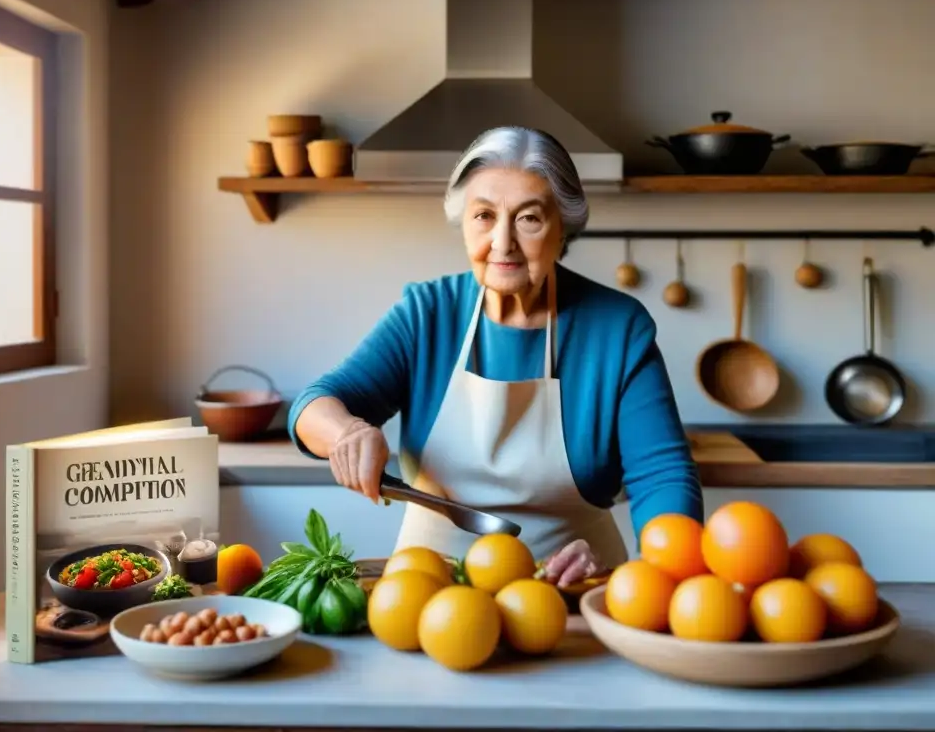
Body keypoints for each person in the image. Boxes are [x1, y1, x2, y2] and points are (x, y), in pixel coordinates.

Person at [289, 126, 703, 588]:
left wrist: (659, 574)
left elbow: (663, 478)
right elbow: (314, 403)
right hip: (428, 591)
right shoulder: (427, 314)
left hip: (572, 592)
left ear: (563, 226)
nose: (502, 243)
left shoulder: (617, 328)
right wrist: (347, 431)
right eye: (484, 216)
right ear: (463, 221)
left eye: (529, 219)